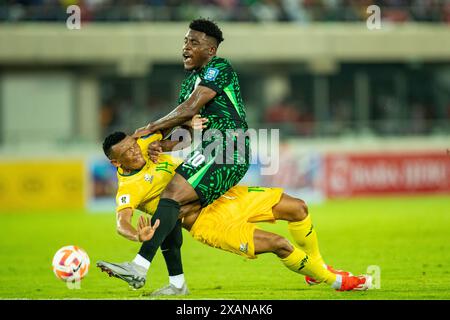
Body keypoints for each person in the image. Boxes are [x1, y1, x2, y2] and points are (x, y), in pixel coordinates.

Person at [97, 130, 372, 295]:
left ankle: (316, 267)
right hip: (209, 222)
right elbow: (121, 222)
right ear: (115, 162)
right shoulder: (129, 187)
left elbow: (184, 134)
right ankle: (335, 281)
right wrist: (136, 235)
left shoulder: (145, 144)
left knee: (298, 207)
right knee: (279, 244)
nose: (136, 152)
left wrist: (168, 142)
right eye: (128, 153)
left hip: (225, 195)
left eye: (134, 145)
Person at [98, 18, 251, 289]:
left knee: (170, 196)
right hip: (209, 147)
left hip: (229, 147)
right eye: (184, 41)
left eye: (194, 42)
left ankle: (138, 267)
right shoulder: (188, 83)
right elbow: (186, 132)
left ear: (211, 50)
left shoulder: (219, 68)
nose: (186, 47)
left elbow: (191, 108)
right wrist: (163, 145)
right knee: (169, 209)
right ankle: (177, 284)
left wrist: (151, 127)